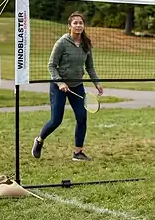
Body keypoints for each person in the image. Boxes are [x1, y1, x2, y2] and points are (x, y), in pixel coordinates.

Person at [31, 11, 104, 161]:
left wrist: (97, 83)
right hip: (59, 86)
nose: (78, 25)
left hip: (77, 86)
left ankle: (78, 153)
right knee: (56, 120)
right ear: (69, 26)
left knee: (82, 118)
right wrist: (60, 82)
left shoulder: (86, 44)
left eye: (81, 23)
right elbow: (51, 65)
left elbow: (90, 67)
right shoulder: (62, 43)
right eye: (75, 23)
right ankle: (39, 140)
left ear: (84, 26)